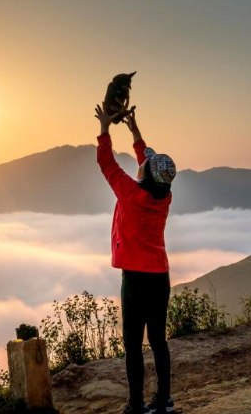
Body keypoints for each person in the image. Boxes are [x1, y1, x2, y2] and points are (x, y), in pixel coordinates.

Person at [94, 102, 176, 414]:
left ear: (145, 175)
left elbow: (107, 163)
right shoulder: (164, 195)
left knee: (133, 347)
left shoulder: (130, 193)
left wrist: (104, 127)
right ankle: (163, 400)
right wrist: (134, 130)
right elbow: (148, 163)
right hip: (160, 277)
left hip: (135, 280)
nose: (144, 161)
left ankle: (136, 405)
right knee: (158, 341)